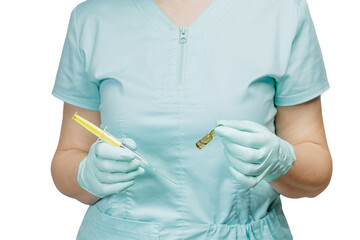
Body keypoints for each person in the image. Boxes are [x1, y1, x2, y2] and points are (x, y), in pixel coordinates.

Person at [51, 0, 332, 239]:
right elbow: (67, 156)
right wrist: (87, 175)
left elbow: (318, 171)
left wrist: (280, 162)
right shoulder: (92, 18)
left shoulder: (282, 12)